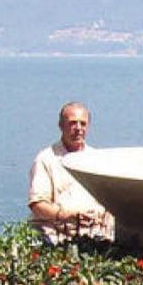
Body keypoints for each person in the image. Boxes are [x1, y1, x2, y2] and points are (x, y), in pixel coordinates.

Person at [29, 101, 114, 243]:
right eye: (73, 123)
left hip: (97, 235)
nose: (78, 128)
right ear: (61, 126)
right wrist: (67, 215)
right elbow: (37, 205)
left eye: (83, 124)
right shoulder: (46, 159)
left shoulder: (98, 159)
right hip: (56, 237)